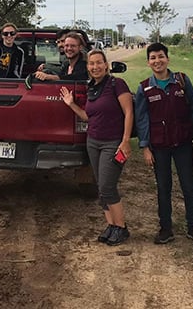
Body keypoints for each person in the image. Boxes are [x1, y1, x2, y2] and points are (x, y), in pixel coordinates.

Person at [135, 43, 193, 246]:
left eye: (160, 56)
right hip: (159, 147)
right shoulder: (144, 88)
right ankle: (165, 229)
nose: (157, 61)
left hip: (183, 144)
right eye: (153, 58)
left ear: (168, 58)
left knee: (188, 186)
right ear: (148, 62)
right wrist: (145, 147)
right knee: (163, 187)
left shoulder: (182, 81)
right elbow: (142, 120)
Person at [60, 50, 134, 246]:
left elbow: (129, 112)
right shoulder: (91, 87)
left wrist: (125, 140)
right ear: (88, 67)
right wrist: (71, 104)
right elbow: (87, 116)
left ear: (106, 64)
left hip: (113, 143)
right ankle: (111, 225)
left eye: (99, 63)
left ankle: (121, 228)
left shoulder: (117, 84)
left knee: (108, 187)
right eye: (91, 64)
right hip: (93, 142)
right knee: (101, 188)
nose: (95, 67)